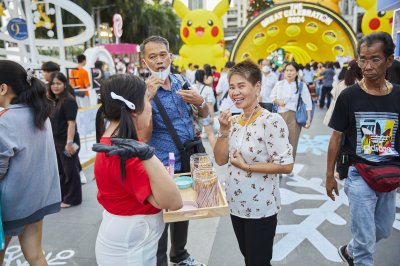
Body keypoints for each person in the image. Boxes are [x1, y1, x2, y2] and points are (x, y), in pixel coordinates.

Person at [326, 32, 400, 266]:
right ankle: (359, 253)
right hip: (359, 174)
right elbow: (336, 137)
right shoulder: (349, 96)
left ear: (389, 60)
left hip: (389, 173)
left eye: (374, 59)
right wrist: (329, 176)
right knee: (366, 244)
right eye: (362, 59)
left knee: (383, 230)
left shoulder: (398, 95)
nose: (367, 66)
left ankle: (351, 250)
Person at [92, 74, 182, 265]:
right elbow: (173, 201)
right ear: (134, 109)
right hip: (129, 249)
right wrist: (148, 156)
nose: (149, 107)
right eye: (147, 100)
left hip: (125, 240)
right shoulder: (128, 153)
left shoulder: (116, 141)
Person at [214, 60, 294, 266]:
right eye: (232, 87)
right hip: (236, 204)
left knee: (258, 261)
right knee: (248, 257)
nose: (235, 92)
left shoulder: (271, 121)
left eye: (241, 86)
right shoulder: (233, 121)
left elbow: (286, 165)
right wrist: (223, 132)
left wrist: (247, 167)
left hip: (261, 207)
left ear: (257, 87)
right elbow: (221, 160)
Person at [140, 35, 208, 266]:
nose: (159, 61)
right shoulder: (140, 90)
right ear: (144, 62)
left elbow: (205, 114)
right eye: (152, 57)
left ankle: (179, 255)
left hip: (187, 159)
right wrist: (146, 99)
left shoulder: (182, 81)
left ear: (170, 56)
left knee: (183, 210)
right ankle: (159, 261)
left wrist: (200, 102)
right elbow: (141, 133)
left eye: (162, 55)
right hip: (160, 164)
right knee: (159, 216)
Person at [0, 60, 61, 265]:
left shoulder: (4, 120)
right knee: (35, 255)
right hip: (36, 199)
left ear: (3, 88)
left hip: (9, 205)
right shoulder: (39, 113)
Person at [48, 72, 83, 208]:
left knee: (70, 170)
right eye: (53, 83)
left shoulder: (68, 100)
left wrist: (69, 142)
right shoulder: (54, 101)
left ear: (64, 84)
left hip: (67, 141)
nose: (55, 86)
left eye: (58, 83)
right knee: (62, 170)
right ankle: (64, 196)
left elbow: (71, 123)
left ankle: (73, 199)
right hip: (57, 141)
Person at [270, 61, 313, 161]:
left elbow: (308, 103)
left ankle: (289, 166)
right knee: (278, 143)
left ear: (297, 72)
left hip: (294, 118)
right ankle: (278, 166)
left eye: (291, 70)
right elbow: (272, 97)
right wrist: (278, 101)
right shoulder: (279, 84)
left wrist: (309, 119)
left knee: (292, 143)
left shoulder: (301, 86)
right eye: (287, 70)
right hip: (279, 117)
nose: (289, 73)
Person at [323, 60, 362, 126]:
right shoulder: (361, 84)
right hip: (355, 118)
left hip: (340, 117)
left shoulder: (341, 84)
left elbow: (334, 97)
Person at [194, 69, 216, 148]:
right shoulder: (208, 89)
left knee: (195, 136)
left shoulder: (191, 87)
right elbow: (210, 104)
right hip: (205, 114)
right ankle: (216, 153)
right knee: (210, 134)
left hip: (194, 116)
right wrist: (212, 117)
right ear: (204, 77)